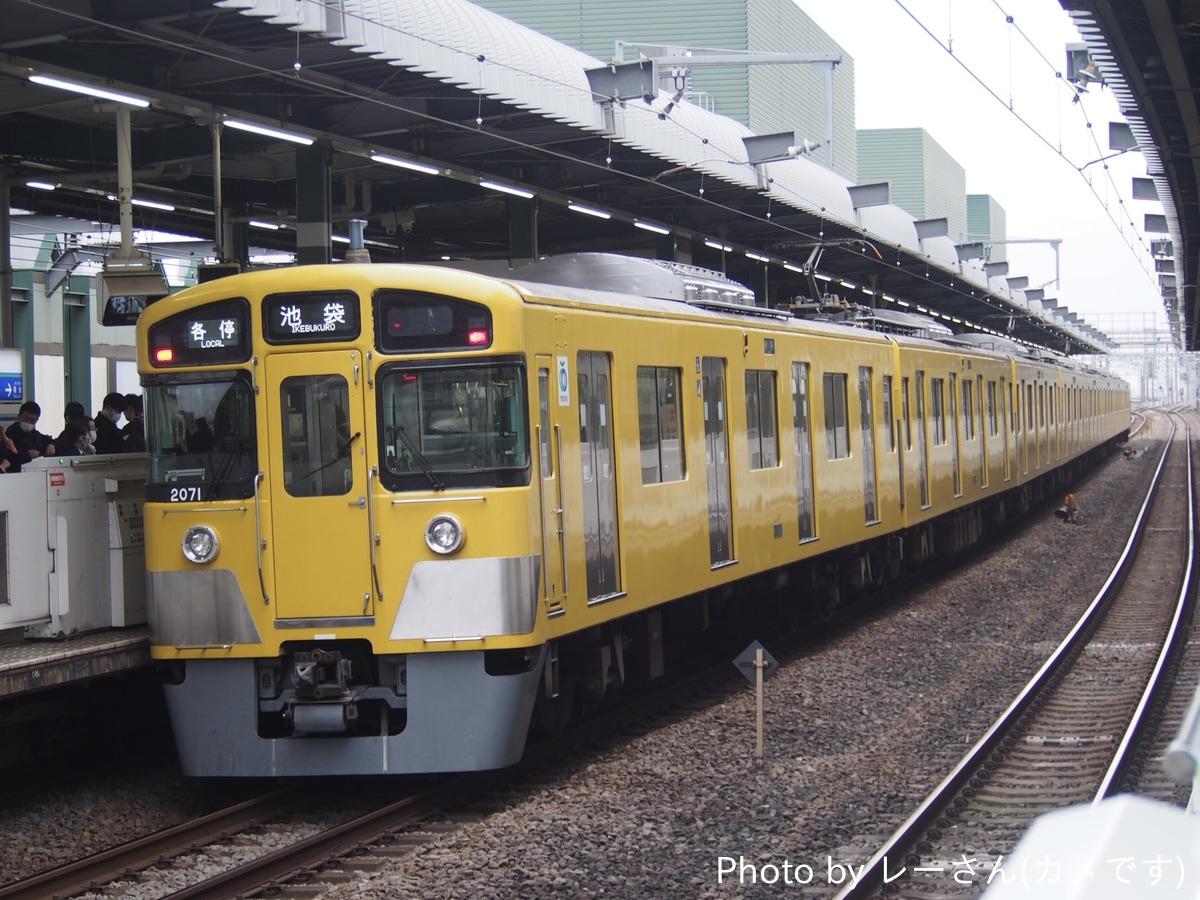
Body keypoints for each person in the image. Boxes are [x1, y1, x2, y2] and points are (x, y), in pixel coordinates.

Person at [6, 400, 55, 471]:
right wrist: (27, 454)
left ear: (37, 420)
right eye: (25, 419)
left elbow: (52, 441)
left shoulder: (35, 435)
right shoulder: (10, 433)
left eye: (32, 420)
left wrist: (52, 445)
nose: (28, 422)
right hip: (15, 472)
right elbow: (6, 453)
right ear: (19, 416)